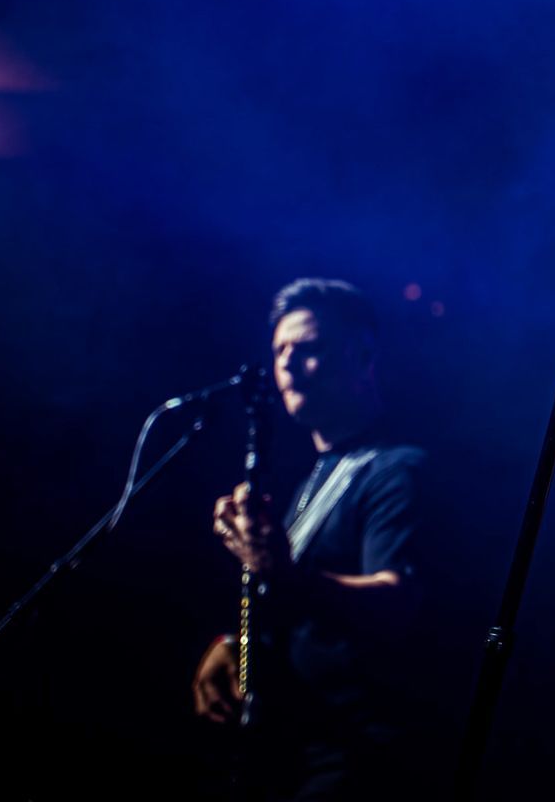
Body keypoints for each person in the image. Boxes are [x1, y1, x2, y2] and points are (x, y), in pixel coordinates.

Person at [193, 278, 425, 799]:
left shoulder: (398, 470)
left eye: (309, 348)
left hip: (358, 759)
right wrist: (238, 644)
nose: (288, 365)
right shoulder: (314, 479)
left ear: (363, 354)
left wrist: (281, 570)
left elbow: (399, 602)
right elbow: (295, 605)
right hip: (292, 752)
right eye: (279, 351)